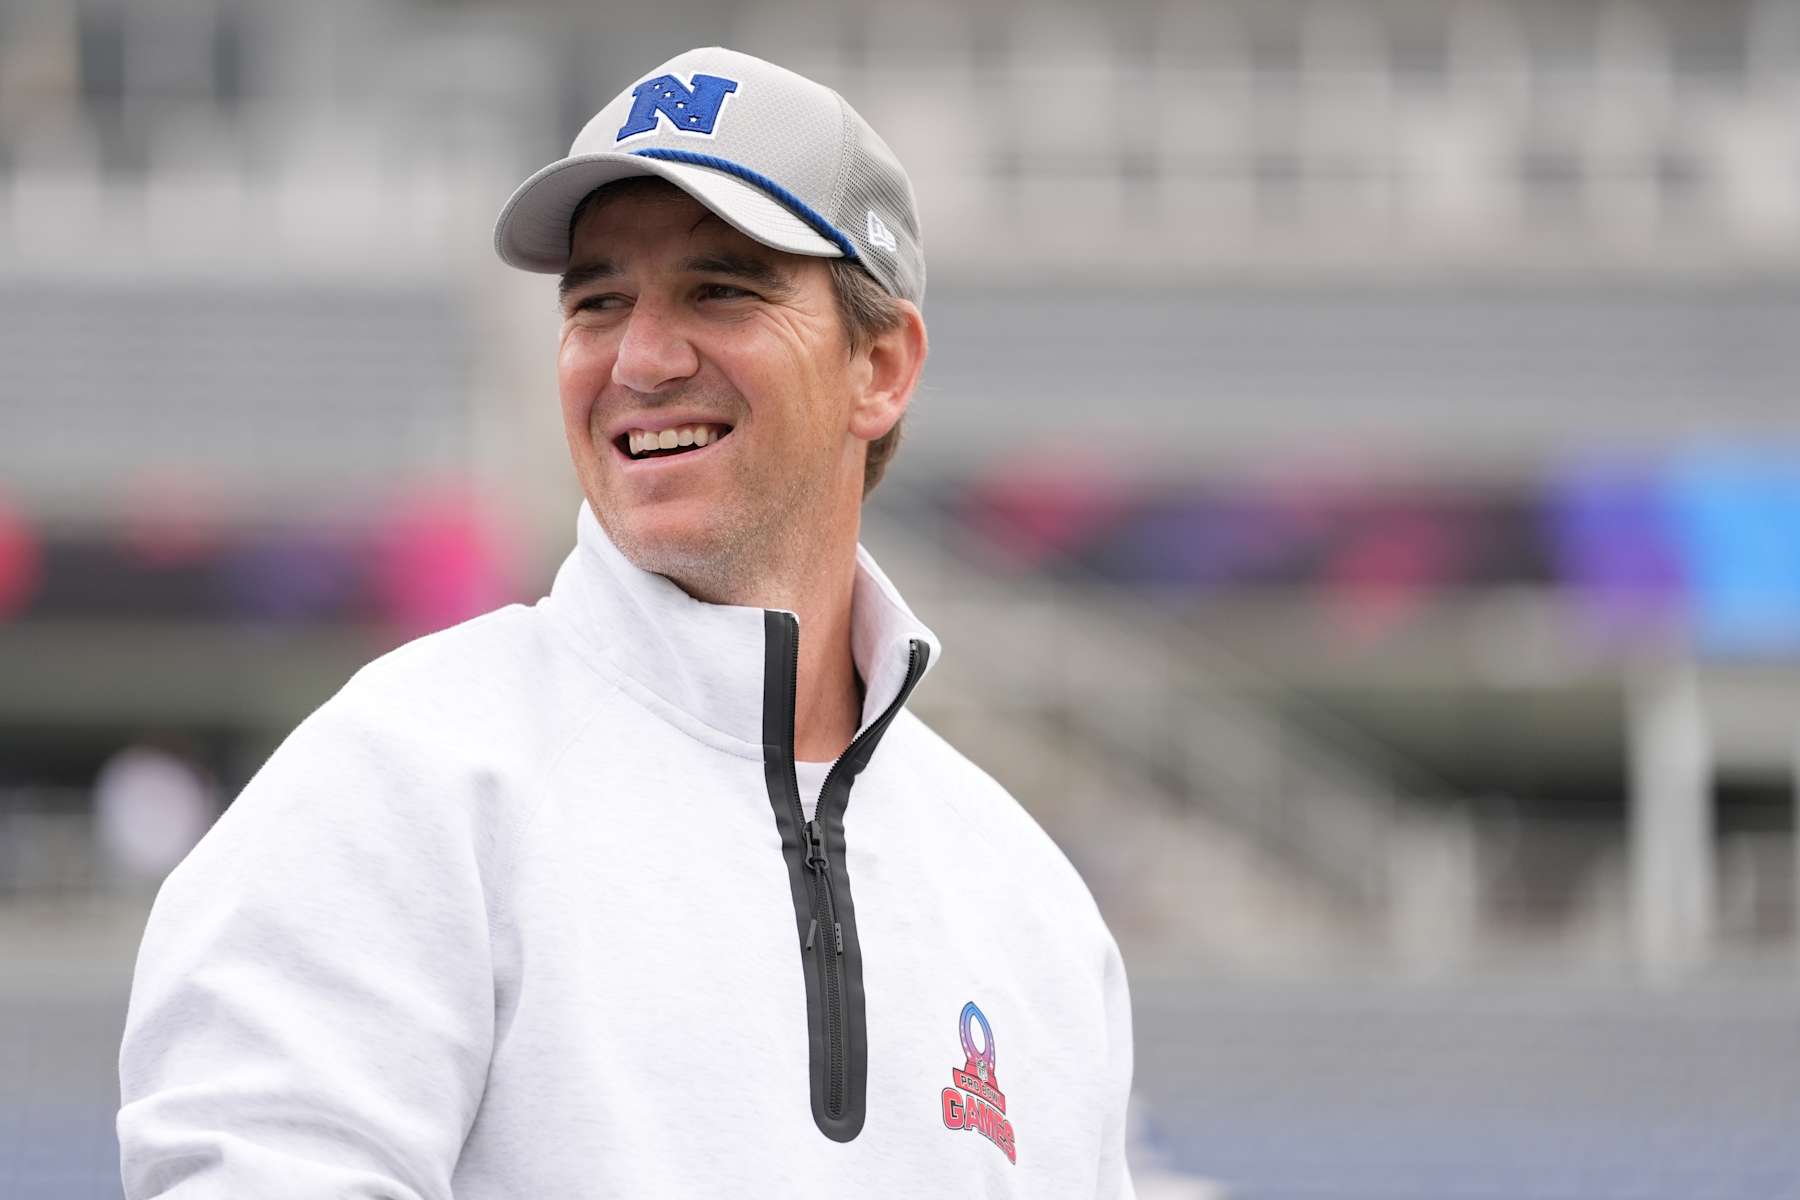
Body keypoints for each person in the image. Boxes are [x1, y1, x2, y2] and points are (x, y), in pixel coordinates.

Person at [117, 46, 1135, 1198]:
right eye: (598, 301)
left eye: (722, 289)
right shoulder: (399, 782)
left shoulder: (1029, 902)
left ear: (882, 366)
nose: (640, 360)